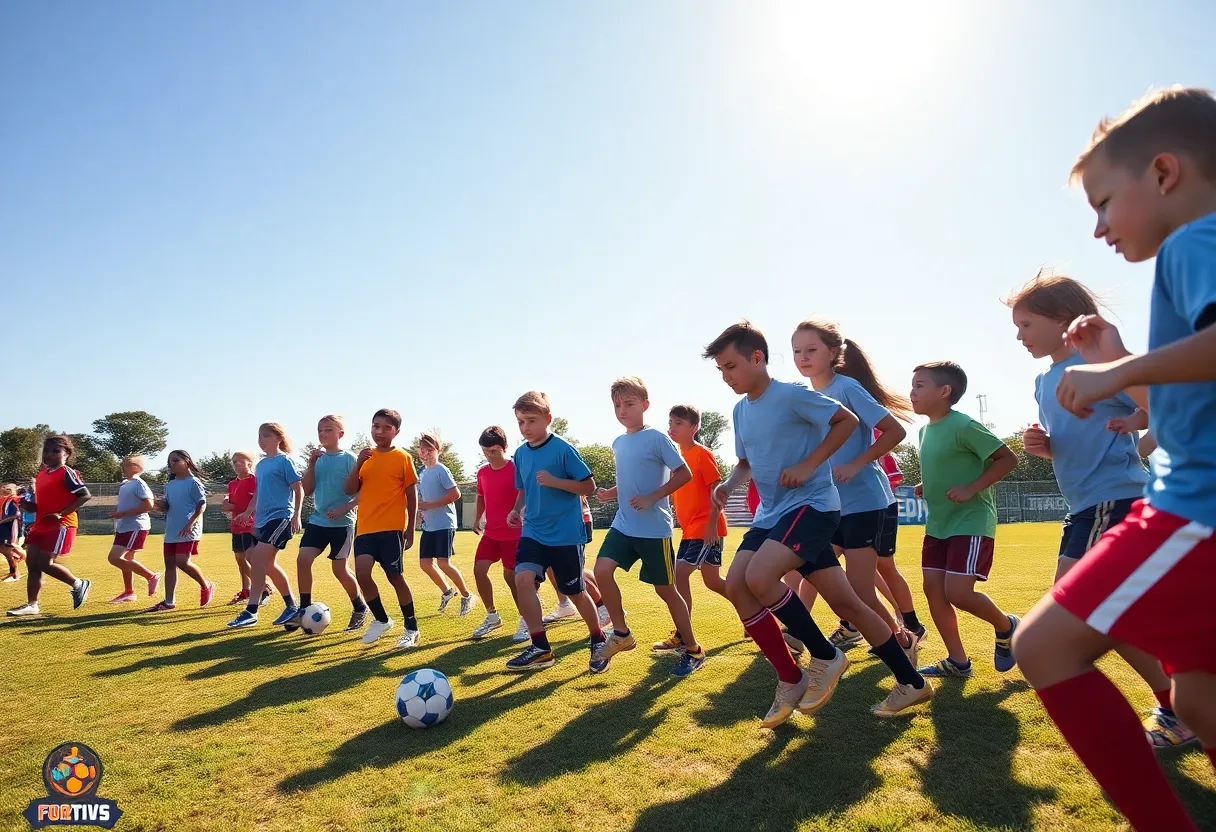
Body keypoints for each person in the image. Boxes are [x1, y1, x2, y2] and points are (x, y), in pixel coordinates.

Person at [1014, 87, 1216, 831]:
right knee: (1196, 700)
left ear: (1163, 172)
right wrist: (1123, 357)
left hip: (1194, 510)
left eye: (1103, 204)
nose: (1098, 229)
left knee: (1042, 645)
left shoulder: (1197, 242)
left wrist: (1118, 374)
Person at [704, 322, 934, 726]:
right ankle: (903, 681)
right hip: (773, 514)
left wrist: (810, 464)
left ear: (758, 358)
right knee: (750, 587)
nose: (727, 377)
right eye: (721, 370)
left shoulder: (793, 396)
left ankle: (825, 656)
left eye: (731, 367)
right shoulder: (740, 410)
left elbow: (845, 421)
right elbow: (745, 463)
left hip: (811, 506)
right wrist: (729, 484)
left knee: (759, 577)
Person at [1008, 270, 1193, 748]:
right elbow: (1071, 444)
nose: (1019, 335)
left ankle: (1165, 712)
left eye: (1026, 324)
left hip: (1115, 498)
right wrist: (1044, 446)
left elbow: (1160, 407)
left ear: (1062, 318)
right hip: (1087, 506)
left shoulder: (1098, 361)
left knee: (1070, 615)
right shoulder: (1041, 381)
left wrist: (1137, 415)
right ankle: (1177, 705)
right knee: (1111, 614)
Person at [790, 320, 922, 662]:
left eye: (811, 350)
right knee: (816, 574)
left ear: (833, 353)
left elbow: (894, 431)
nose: (802, 357)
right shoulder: (804, 397)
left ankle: (902, 642)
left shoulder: (846, 388)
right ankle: (802, 635)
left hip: (865, 502)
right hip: (830, 505)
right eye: (796, 351)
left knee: (860, 591)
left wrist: (857, 463)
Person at [910, 362, 1020, 678]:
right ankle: (958, 661)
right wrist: (925, 484)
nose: (912, 392)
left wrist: (972, 488)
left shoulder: (964, 425)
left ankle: (1007, 626)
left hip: (970, 521)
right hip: (938, 525)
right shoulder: (924, 430)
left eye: (919, 385)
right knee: (933, 589)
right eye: (913, 385)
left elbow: (1007, 458)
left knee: (958, 592)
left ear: (945, 392)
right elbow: (945, 463)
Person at [594, 377, 706, 677]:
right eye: (617, 405)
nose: (622, 410)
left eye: (629, 403)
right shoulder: (618, 442)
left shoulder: (657, 437)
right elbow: (632, 479)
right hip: (623, 525)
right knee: (602, 570)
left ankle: (693, 650)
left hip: (654, 530)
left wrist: (652, 497)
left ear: (645, 405)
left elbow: (684, 474)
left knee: (666, 590)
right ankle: (621, 633)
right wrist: (611, 493)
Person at [505, 391, 606, 671]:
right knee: (522, 579)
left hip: (565, 534)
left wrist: (555, 481)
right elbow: (524, 488)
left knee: (573, 591)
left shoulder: (562, 448)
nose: (526, 427)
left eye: (531, 420)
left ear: (548, 419)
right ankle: (540, 648)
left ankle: (598, 638)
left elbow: (589, 487)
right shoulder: (521, 453)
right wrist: (516, 510)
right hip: (533, 531)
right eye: (521, 422)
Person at [655, 404, 728, 655]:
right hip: (691, 530)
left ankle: (682, 636)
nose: (672, 428)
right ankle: (753, 612)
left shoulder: (701, 453)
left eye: (679, 423)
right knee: (714, 582)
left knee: (677, 575)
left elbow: (717, 489)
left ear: (694, 428)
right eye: (671, 422)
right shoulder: (676, 459)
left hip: (705, 527)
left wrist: (711, 525)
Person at [344, 408, 421, 649]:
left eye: (386, 427)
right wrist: (358, 463)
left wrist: (410, 528)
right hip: (365, 528)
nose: (380, 431)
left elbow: (411, 493)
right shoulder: (365, 457)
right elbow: (349, 489)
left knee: (395, 577)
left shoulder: (402, 457)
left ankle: (411, 628)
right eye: (376, 426)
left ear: (396, 431)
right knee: (362, 573)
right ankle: (381, 619)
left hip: (392, 528)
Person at [288, 415, 367, 633]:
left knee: (339, 569)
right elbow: (307, 489)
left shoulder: (350, 459)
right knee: (303, 560)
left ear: (340, 434)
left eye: (328, 430)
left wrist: (346, 507)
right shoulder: (318, 459)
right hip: (318, 520)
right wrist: (311, 465)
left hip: (343, 524)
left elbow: (363, 492)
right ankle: (303, 610)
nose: (323, 434)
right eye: (320, 430)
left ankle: (360, 608)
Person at [226, 424, 302, 629]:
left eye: (266, 435)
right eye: (259, 436)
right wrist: (248, 513)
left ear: (279, 438)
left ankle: (251, 611)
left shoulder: (284, 460)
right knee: (260, 560)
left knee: (257, 557)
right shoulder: (260, 465)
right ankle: (292, 606)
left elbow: (298, 487)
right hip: (263, 520)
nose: (261, 439)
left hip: (281, 517)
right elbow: (258, 493)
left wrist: (297, 514)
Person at [6, 435, 92, 616]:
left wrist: (61, 514)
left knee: (45, 563)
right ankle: (32, 605)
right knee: (32, 564)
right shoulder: (42, 474)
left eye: (55, 451)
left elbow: (84, 495)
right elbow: (43, 503)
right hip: (40, 524)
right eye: (46, 451)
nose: (49, 455)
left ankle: (78, 583)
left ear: (66, 454)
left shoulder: (66, 472)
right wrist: (30, 507)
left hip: (61, 524)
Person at [147, 450, 216, 612]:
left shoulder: (194, 483)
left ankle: (206, 585)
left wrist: (190, 523)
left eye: (176, 460)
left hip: (188, 529)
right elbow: (169, 506)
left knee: (182, 562)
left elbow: (201, 505)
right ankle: (169, 602)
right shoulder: (170, 485)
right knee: (169, 564)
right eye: (170, 461)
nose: (172, 464)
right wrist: (160, 505)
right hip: (172, 529)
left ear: (187, 462)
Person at [471, 426, 523, 639]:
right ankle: (492, 616)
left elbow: (525, 493)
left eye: (493, 451)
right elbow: (482, 496)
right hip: (491, 533)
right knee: (479, 570)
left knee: (511, 577)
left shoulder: (516, 468)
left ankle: (526, 619)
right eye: (485, 452)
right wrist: (477, 517)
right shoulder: (482, 472)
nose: (489, 456)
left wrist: (517, 511)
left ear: (505, 447)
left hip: (514, 533)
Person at [416, 432, 475, 616]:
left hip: (444, 524)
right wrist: (421, 510)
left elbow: (455, 495)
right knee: (425, 563)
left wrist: (429, 505)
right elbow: (421, 498)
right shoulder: (422, 473)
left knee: (443, 563)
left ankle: (466, 595)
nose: (426, 453)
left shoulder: (441, 469)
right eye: (422, 450)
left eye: (430, 450)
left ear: (438, 451)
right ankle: (448, 592)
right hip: (430, 526)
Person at [106, 455, 160, 603]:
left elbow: (148, 505)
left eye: (127, 464)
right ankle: (129, 592)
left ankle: (151, 576)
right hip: (125, 526)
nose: (123, 466)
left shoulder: (138, 483)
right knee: (128, 559)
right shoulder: (125, 484)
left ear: (137, 467)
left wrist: (122, 513)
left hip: (135, 526)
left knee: (114, 558)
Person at [222, 451, 266, 606]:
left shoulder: (255, 480)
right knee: (240, 559)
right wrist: (226, 505)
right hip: (236, 525)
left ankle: (263, 587)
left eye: (241, 461)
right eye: (234, 462)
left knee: (251, 558)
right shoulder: (232, 484)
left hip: (251, 525)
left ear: (250, 462)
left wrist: (234, 506)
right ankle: (246, 589)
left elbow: (257, 502)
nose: (237, 464)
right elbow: (231, 504)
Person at [0, 483, 25, 582]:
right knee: (4, 549)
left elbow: (16, 514)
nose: (3, 488)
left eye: (6, 488)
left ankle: (14, 573)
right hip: (3, 527)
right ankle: (13, 571)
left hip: (9, 528)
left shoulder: (13, 499)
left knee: (7, 549)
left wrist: (1, 521)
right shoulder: (5, 500)